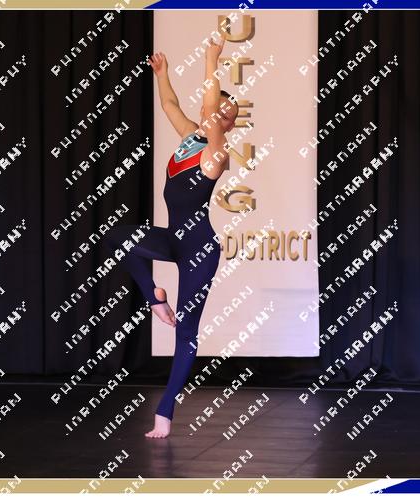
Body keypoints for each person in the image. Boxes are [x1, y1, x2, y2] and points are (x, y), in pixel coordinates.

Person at [104, 36, 239, 438]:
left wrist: (211, 57)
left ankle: (164, 411)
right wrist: (161, 74)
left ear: (227, 124)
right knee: (119, 237)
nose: (218, 115)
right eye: (218, 109)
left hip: (199, 250)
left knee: (186, 333)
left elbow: (210, 108)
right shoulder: (190, 138)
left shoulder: (217, 154)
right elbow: (169, 105)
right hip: (173, 239)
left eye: (226, 116)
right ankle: (154, 298)